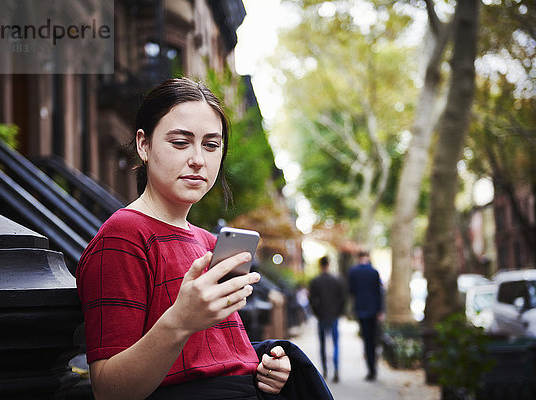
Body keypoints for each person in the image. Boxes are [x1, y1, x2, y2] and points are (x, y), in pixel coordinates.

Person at [75, 77, 292, 400]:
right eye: (180, 142)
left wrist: (265, 368)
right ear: (143, 145)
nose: (198, 160)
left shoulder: (208, 242)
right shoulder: (124, 236)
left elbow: (211, 357)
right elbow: (109, 390)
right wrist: (179, 321)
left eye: (211, 145)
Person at [308, 256, 346, 383]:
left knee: (323, 344)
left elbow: (312, 300)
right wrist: (338, 313)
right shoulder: (337, 280)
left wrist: (317, 313)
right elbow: (342, 299)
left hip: (322, 316)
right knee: (335, 344)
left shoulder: (315, 281)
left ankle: (324, 369)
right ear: (329, 264)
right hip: (333, 316)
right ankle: (336, 369)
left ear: (320, 265)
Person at [348, 250, 384, 382]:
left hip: (361, 310)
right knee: (374, 340)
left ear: (358, 257)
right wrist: (381, 310)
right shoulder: (374, 272)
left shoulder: (353, 272)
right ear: (368, 257)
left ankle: (370, 369)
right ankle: (374, 367)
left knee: (367, 340)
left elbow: (351, 291)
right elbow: (380, 292)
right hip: (374, 310)